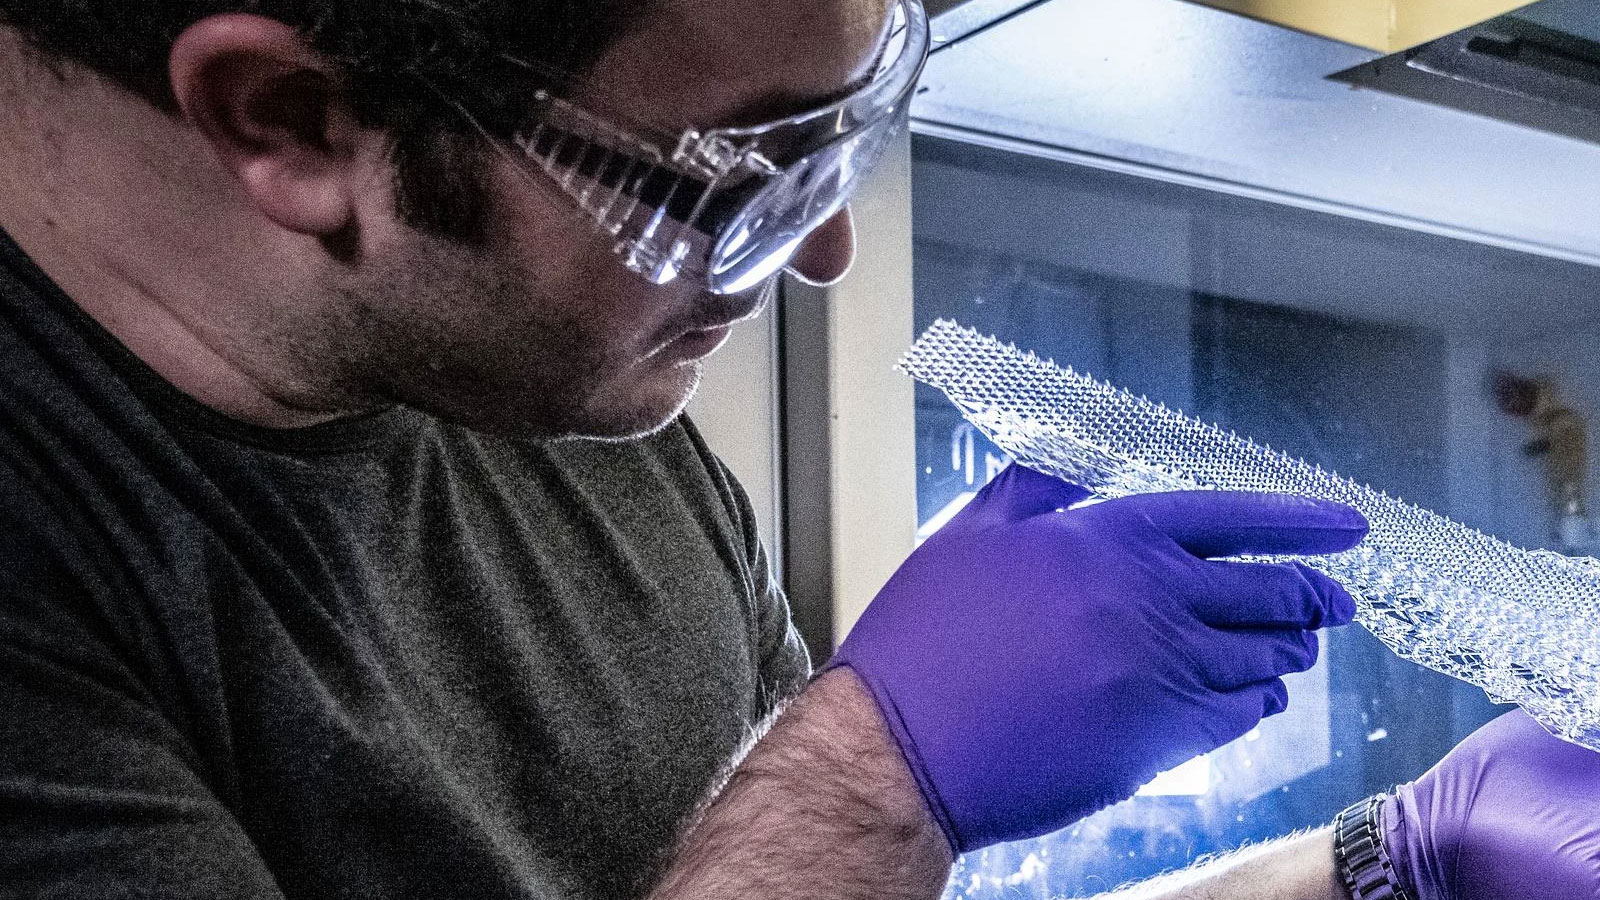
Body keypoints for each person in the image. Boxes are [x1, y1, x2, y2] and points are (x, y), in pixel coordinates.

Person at [0, 1, 1590, 899]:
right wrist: (874, 770)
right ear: (288, 120)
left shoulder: (564, 410)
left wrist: (1378, 868)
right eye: (730, 181)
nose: (818, 260)